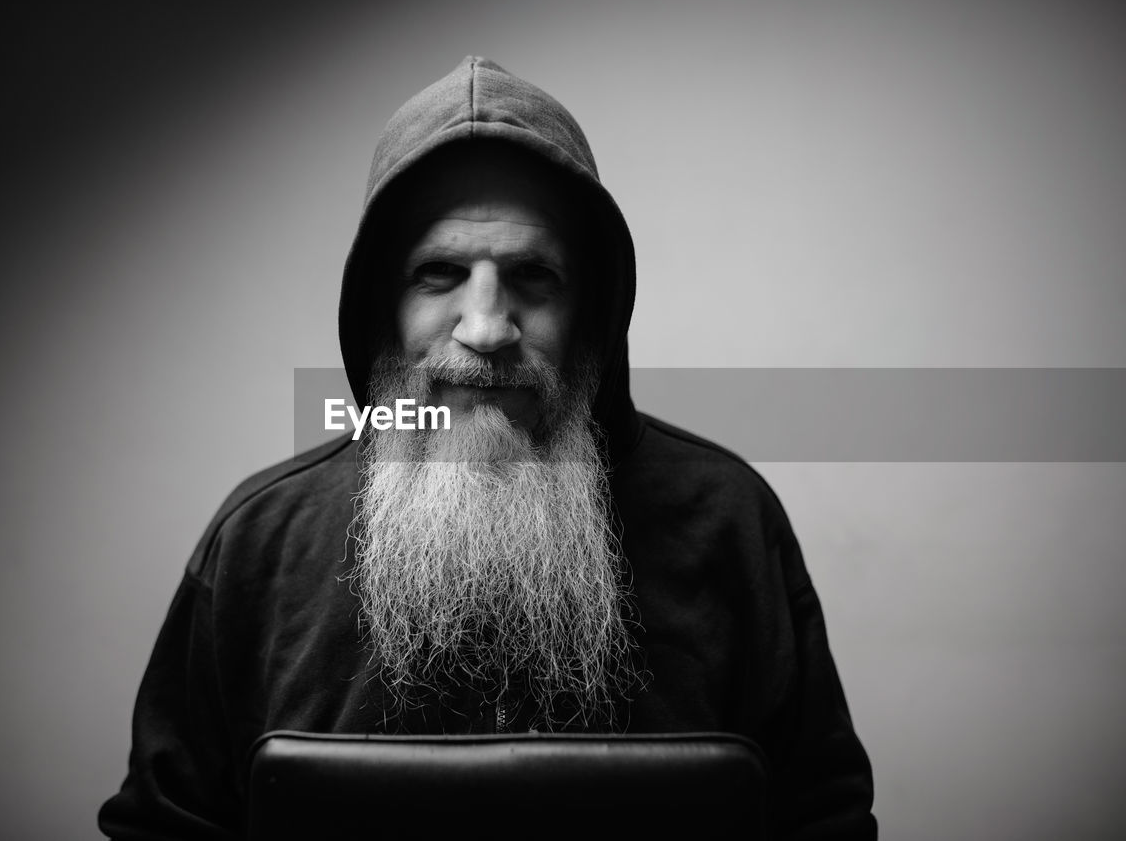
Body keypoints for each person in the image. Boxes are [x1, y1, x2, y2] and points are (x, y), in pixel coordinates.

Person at [99, 56, 877, 839]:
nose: (486, 327)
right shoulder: (260, 541)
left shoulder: (728, 520)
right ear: (379, 307)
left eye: (533, 276)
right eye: (440, 272)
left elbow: (825, 821)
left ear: (594, 312)